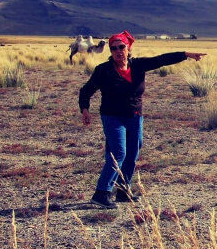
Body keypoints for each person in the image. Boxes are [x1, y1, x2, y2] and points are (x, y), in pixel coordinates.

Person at [79, 31, 205, 209]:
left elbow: (161, 60)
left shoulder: (138, 65)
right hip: (112, 117)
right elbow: (86, 91)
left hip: (135, 116)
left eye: (121, 47)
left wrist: (185, 55)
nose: (118, 51)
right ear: (110, 51)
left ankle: (123, 190)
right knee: (118, 153)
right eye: (114, 48)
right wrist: (85, 109)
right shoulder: (103, 70)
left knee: (133, 152)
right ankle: (101, 193)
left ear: (128, 48)